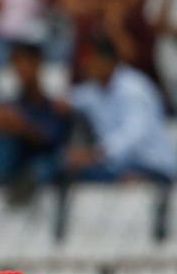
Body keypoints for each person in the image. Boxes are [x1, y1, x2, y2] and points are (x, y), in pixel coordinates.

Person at [64, 36, 176, 182]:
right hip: (121, 167)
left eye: (91, 59)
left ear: (107, 61)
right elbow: (68, 101)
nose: (85, 64)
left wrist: (95, 154)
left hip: (153, 166)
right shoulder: (93, 90)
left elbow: (134, 134)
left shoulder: (134, 88)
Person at [0, 41, 71, 188]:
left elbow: (51, 137)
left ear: (38, 64)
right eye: (17, 63)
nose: (21, 69)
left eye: (26, 62)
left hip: (43, 163)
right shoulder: (11, 105)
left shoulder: (52, 106)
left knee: (48, 165)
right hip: (15, 163)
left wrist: (21, 126)